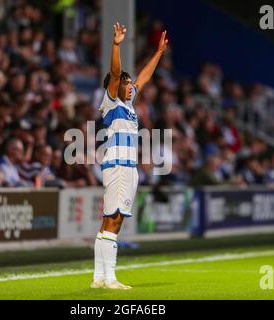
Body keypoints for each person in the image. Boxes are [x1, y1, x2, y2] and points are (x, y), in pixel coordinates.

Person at [91, 23, 168, 290]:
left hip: (126, 168)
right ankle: (110, 278)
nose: (129, 84)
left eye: (127, 82)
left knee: (107, 221)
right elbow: (114, 72)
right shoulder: (111, 100)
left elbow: (144, 78)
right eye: (125, 82)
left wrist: (158, 52)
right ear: (113, 87)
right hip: (120, 167)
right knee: (115, 220)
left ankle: (98, 278)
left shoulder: (129, 103)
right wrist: (116, 45)